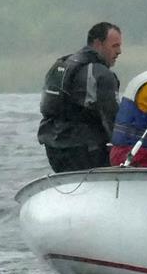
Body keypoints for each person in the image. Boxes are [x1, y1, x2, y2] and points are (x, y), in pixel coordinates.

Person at [37, 22, 123, 172]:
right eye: (115, 46)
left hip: (53, 149)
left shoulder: (65, 63)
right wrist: (127, 148)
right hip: (84, 151)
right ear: (98, 44)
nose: (119, 51)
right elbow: (113, 119)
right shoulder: (101, 74)